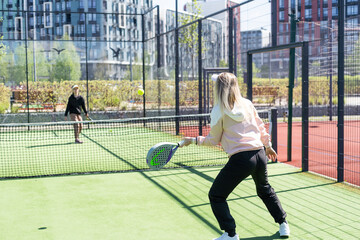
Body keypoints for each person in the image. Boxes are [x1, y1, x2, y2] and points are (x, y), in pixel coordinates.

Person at [181, 73, 290, 240]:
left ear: (218, 89)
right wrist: (267, 146)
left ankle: (230, 234)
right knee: (265, 190)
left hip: (241, 159)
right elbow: (260, 126)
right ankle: (284, 224)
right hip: (260, 154)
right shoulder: (247, 104)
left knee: (216, 195)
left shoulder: (218, 111)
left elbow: (213, 140)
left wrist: (193, 140)